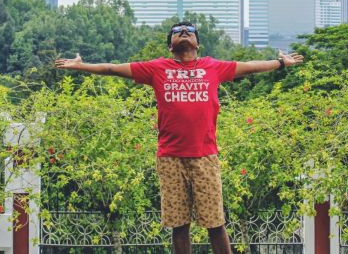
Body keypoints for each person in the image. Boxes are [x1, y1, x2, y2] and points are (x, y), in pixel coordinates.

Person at [55, 21, 303, 254]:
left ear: (198, 43)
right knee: (179, 224)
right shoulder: (157, 68)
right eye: (177, 31)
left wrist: (280, 63)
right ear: (169, 46)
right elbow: (112, 69)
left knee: (215, 223)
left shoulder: (212, 67)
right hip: (170, 158)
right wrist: (81, 66)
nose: (184, 32)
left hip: (205, 157)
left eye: (189, 30)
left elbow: (250, 66)